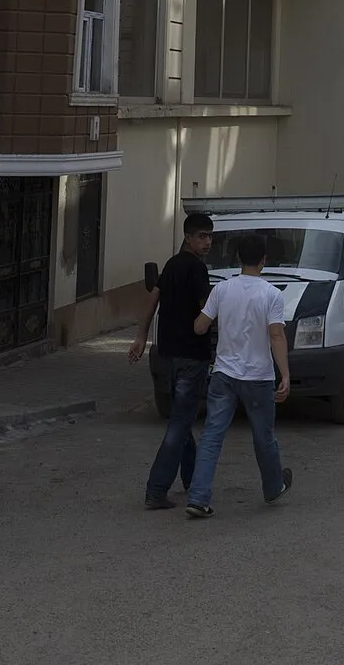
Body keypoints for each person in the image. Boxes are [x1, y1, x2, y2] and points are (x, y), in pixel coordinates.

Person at [184, 232, 291, 518]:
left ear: (238, 258)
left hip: (224, 375)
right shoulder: (272, 294)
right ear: (264, 260)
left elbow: (200, 327)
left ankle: (197, 497)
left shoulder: (222, 290)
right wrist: (285, 374)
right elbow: (276, 335)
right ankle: (272, 487)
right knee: (263, 436)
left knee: (212, 436)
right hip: (258, 377)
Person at [128, 212, 216, 510]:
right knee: (179, 423)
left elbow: (153, 298)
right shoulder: (197, 270)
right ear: (188, 237)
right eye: (202, 236)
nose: (207, 242)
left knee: (183, 418)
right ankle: (156, 489)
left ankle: (192, 479)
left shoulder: (171, 265)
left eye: (209, 236)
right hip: (191, 356)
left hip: (168, 355)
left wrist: (141, 336)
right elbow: (205, 310)